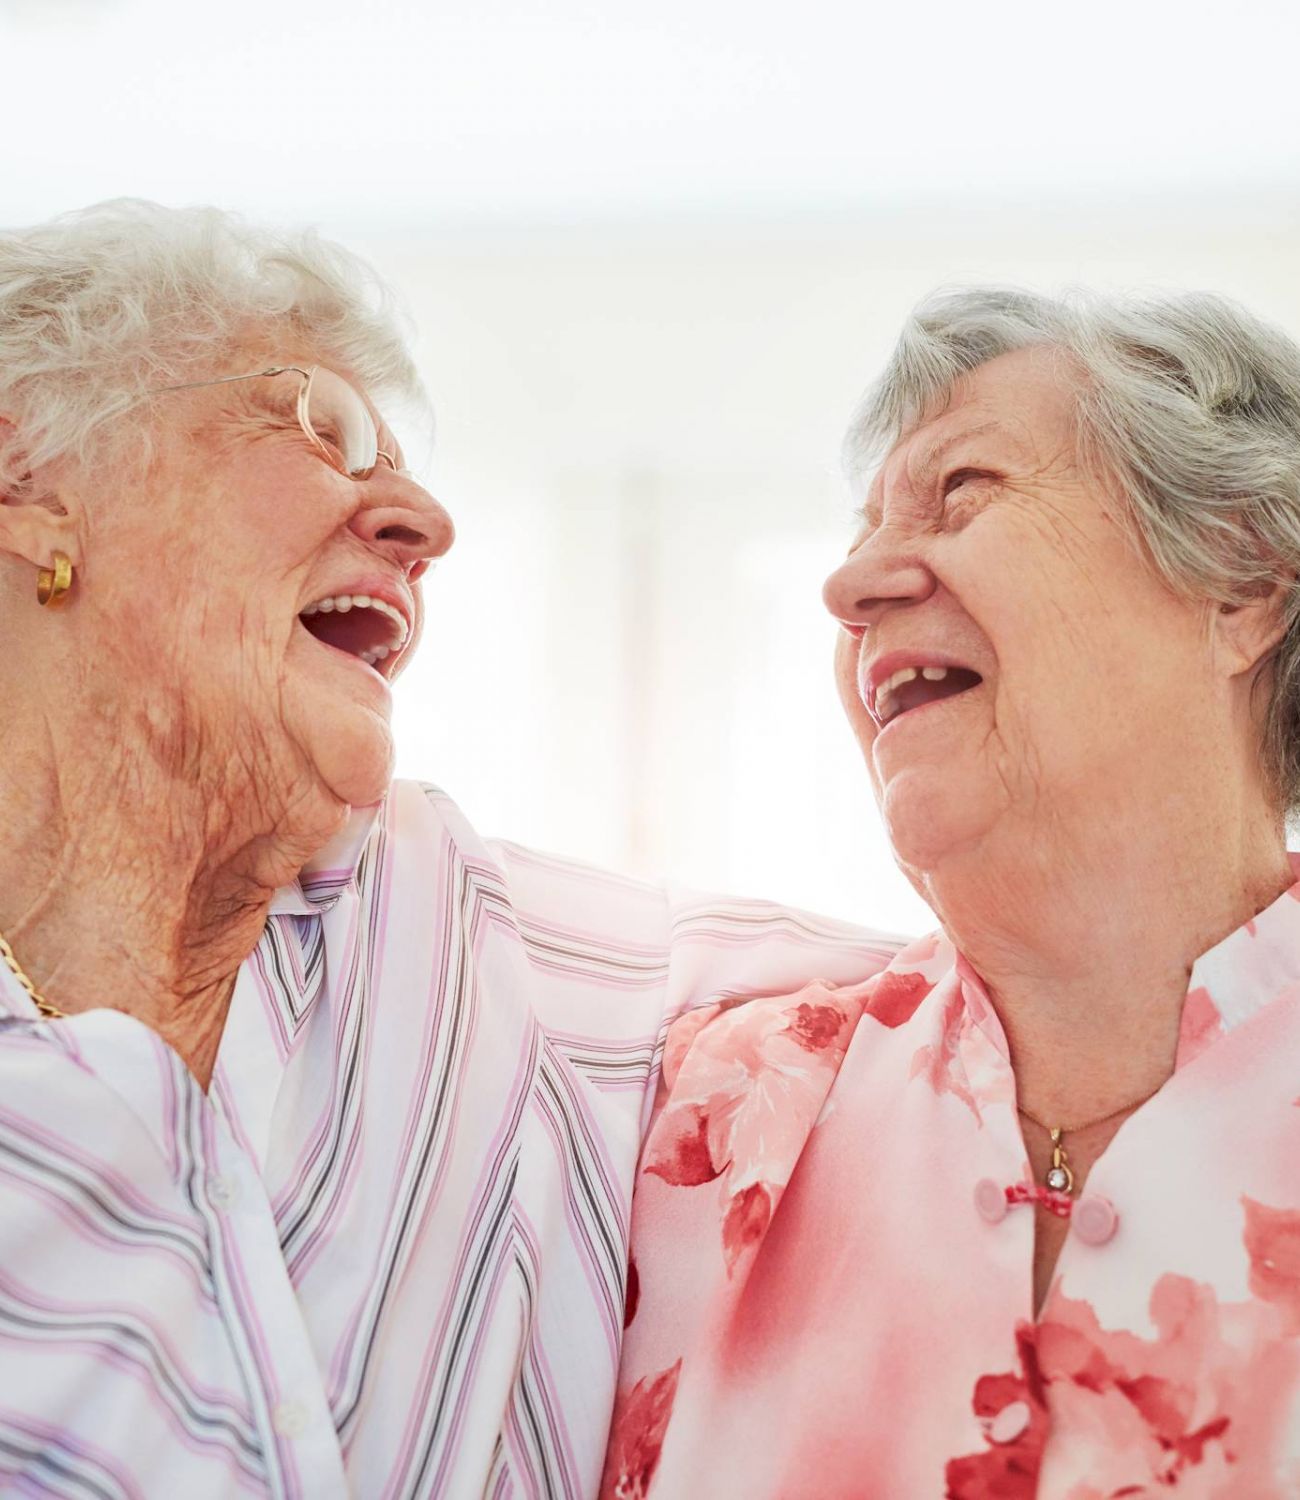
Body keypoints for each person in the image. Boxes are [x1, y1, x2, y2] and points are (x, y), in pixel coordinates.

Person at [0, 200, 898, 1498]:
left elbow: (1026, 997)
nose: (424, 520)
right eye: (323, 427)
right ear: (30, 486)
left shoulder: (464, 939)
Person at [604, 288, 1300, 1497]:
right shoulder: (701, 1121)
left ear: (1237, 585)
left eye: (960, 492)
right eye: (863, 525)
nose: (849, 584)